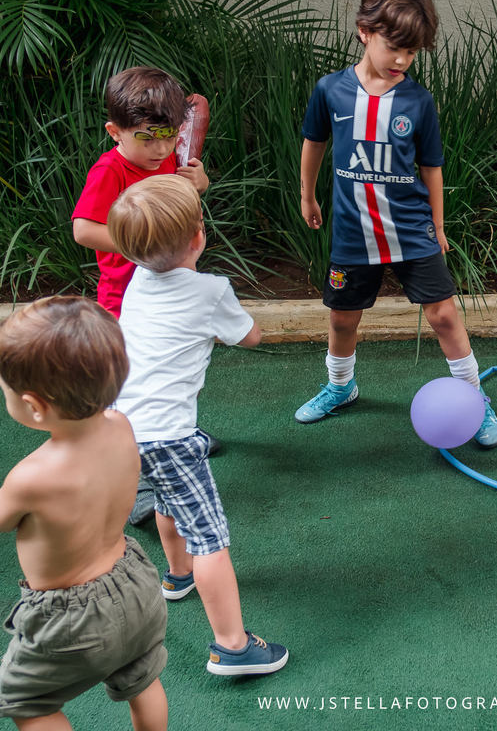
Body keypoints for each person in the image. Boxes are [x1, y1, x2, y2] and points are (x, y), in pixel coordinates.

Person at [295, 0, 497, 446]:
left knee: (443, 315)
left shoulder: (418, 100)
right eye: (395, 47)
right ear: (365, 31)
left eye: (412, 51)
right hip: (351, 230)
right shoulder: (330, 90)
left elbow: (432, 168)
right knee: (342, 318)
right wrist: (307, 195)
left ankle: (475, 399)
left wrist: (439, 225)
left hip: (411, 228)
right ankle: (340, 387)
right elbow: (314, 142)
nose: (403, 60)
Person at [108, 174, 289, 677]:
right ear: (198, 237)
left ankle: (177, 574)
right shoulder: (211, 289)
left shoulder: (136, 281)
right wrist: (249, 326)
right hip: (169, 436)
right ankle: (233, 646)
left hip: (121, 428)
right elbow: (248, 337)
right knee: (210, 535)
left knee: (167, 499)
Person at [0, 296, 169, 729]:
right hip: (134, 582)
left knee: (28, 704)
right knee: (141, 677)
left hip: (69, 617)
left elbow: (2, 519)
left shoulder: (31, 477)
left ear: (35, 405)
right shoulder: (122, 426)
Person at [70, 66, 215, 525]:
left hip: (170, 297)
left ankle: (175, 434)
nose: (159, 150)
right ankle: (133, 483)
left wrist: (199, 184)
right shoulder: (111, 169)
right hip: (124, 303)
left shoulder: (171, 160)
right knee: (127, 391)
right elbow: (83, 230)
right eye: (146, 138)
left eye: (168, 136)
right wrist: (143, 242)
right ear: (116, 131)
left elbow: (184, 201)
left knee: (171, 373)